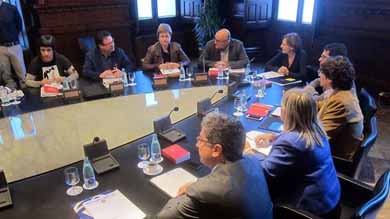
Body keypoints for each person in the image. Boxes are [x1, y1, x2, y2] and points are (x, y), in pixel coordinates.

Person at [156, 112, 273, 219]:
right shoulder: (253, 161)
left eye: (200, 140)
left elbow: (162, 217)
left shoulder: (202, 193)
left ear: (216, 149)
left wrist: (189, 191)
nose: (197, 144)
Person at [252, 89, 340, 217]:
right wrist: (275, 137)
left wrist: (248, 155)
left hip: (307, 209)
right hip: (330, 199)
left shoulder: (291, 142)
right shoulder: (317, 128)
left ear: (286, 112)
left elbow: (264, 173)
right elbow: (299, 140)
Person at [316, 56, 364, 160]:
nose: (319, 74)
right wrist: (298, 104)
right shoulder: (341, 93)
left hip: (335, 158)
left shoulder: (341, 102)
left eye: (321, 72)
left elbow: (318, 137)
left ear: (330, 78)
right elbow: (321, 105)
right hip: (332, 148)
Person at [0, 0, 26, 81]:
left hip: (14, 45)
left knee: (22, 74)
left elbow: (19, 25)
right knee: (5, 76)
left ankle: (27, 92)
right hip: (0, 48)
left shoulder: (11, 8)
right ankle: (10, 92)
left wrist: (12, 37)